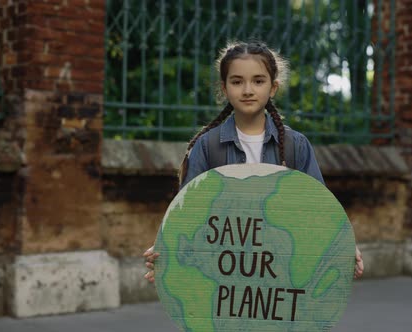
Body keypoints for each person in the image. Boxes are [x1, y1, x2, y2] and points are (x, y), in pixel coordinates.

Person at [143, 41, 364, 282]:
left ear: (273, 88)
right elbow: (188, 214)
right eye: (237, 82)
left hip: (279, 275)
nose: (248, 90)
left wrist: (343, 247)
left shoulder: (296, 146)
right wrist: (167, 255)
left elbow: (319, 209)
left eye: (258, 81)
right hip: (222, 275)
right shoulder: (208, 147)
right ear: (224, 89)